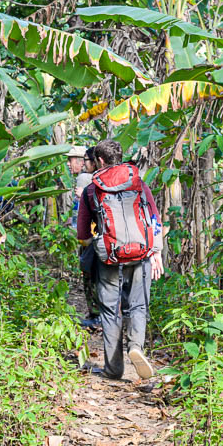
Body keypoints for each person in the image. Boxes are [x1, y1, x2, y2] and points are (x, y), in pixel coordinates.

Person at [77, 139, 163, 380]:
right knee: (138, 305)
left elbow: (83, 235)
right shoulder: (138, 183)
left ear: (100, 160)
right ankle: (136, 346)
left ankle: (114, 368)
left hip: (109, 256)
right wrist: (156, 252)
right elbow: (155, 219)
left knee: (109, 309)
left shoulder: (91, 190)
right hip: (142, 253)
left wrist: (96, 238)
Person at [73, 146, 101, 328]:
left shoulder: (88, 181)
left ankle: (96, 315)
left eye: (86, 160)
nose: (84, 164)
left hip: (93, 238)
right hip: (108, 240)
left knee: (91, 276)